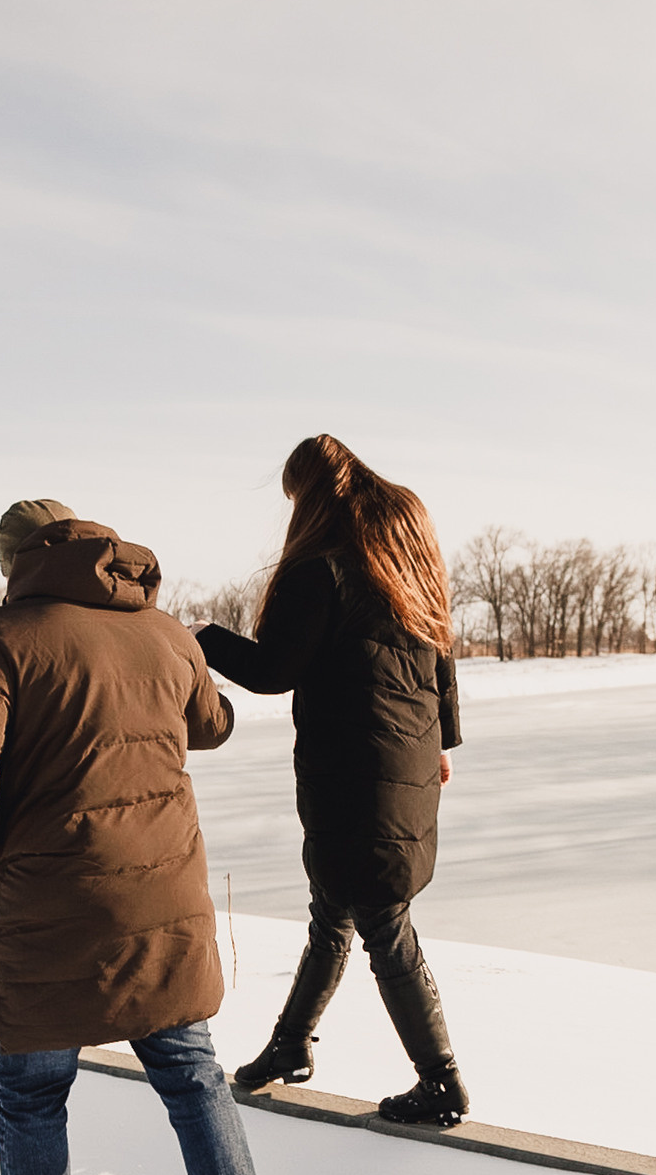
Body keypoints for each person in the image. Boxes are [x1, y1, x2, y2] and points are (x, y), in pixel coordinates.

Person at [0, 500, 278, 1175]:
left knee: (32, 1093)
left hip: (51, 907)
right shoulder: (164, 631)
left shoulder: (1, 638)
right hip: (163, 896)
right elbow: (212, 725)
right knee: (194, 1077)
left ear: (15, 561)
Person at [196, 436, 470, 1128]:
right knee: (334, 909)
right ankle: (291, 1042)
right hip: (405, 757)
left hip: (355, 769)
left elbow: (273, 669)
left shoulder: (321, 567)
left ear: (310, 496)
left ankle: (441, 1081)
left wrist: (202, 637)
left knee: (381, 919)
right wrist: (444, 740)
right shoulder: (402, 551)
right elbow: (440, 648)